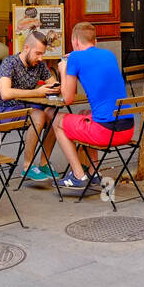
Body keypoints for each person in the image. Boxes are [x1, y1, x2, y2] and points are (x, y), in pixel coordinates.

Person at [51, 22, 132, 190]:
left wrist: (63, 70)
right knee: (84, 113)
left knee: (57, 120)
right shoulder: (109, 55)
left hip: (106, 133)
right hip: (127, 130)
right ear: (95, 41)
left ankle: (78, 175)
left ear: (74, 41)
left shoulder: (74, 58)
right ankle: (95, 172)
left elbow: (67, 99)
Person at [0, 29, 60, 182]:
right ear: (26, 48)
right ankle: (27, 167)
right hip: (4, 109)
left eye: (42, 53)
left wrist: (57, 82)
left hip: (27, 107)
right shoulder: (9, 63)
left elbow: (53, 85)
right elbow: (5, 93)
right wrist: (38, 92)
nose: (41, 58)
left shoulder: (39, 65)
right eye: (38, 53)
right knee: (39, 115)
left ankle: (44, 163)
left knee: (55, 115)